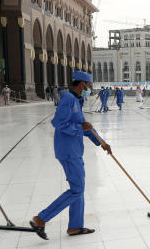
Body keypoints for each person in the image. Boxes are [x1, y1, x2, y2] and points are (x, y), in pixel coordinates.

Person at [30, 71, 111, 239]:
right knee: (77, 189)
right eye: (89, 85)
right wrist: (80, 128)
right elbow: (58, 123)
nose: (90, 88)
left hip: (74, 150)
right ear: (82, 84)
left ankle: (75, 227)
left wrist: (102, 143)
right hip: (68, 151)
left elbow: (85, 126)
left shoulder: (76, 100)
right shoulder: (68, 99)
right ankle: (41, 218)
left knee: (78, 189)